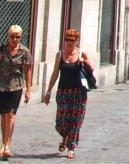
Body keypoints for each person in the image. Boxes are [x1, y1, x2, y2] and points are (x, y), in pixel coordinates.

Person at [42, 29, 92, 159]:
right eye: (67, 39)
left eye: (71, 40)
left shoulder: (81, 53)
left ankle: (71, 147)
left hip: (78, 93)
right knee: (61, 122)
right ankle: (64, 136)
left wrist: (83, 61)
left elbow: (91, 68)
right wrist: (48, 92)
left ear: (77, 41)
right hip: (63, 92)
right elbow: (55, 74)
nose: (69, 42)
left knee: (76, 121)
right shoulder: (60, 54)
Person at [0, 25, 32, 158]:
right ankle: (3, 143)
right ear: (8, 36)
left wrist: (28, 89)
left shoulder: (24, 51)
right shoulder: (2, 49)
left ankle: (7, 146)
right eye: (12, 36)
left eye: (17, 37)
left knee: (11, 114)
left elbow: (28, 71)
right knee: (3, 115)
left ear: (21, 37)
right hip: (0, 86)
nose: (15, 39)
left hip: (16, 86)